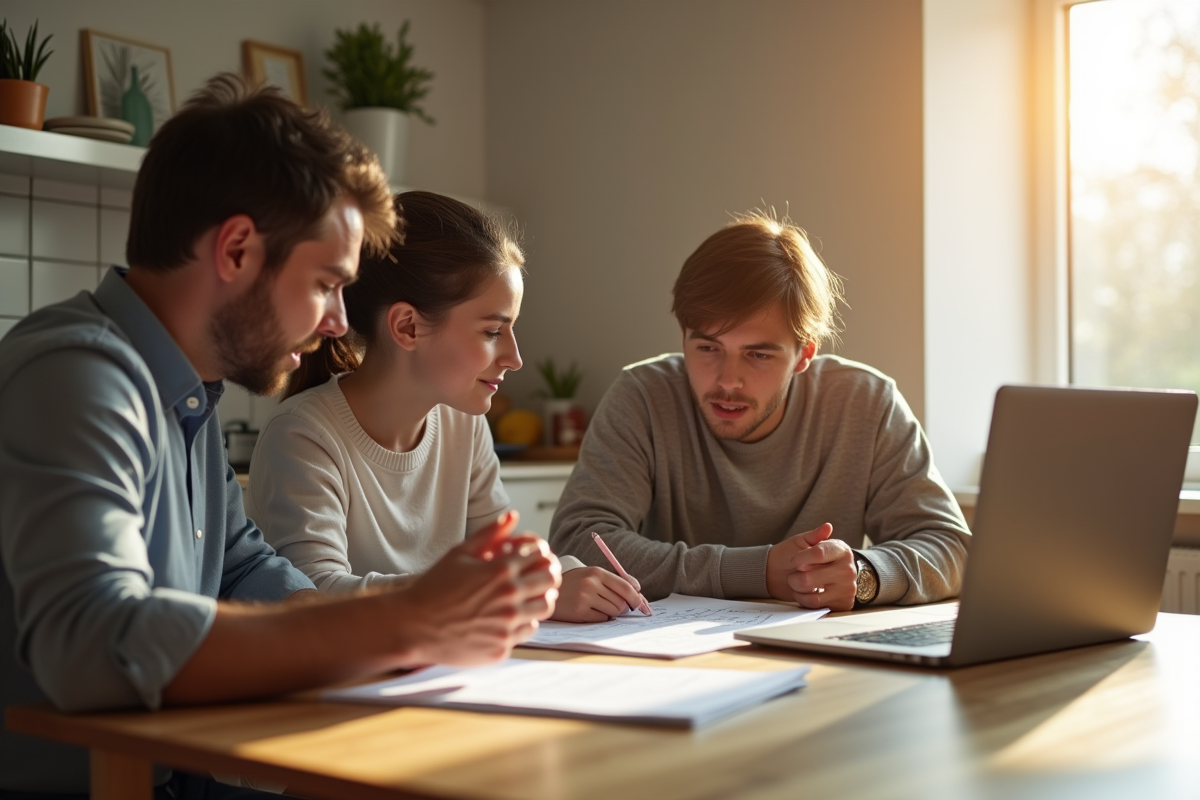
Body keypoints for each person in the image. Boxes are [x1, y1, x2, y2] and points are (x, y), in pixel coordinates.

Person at [0, 75, 559, 799]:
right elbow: (93, 642)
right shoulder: (78, 375)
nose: (336, 322)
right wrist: (406, 620)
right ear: (236, 250)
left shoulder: (184, 395)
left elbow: (248, 576)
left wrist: (424, 628)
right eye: (327, 283)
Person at [548, 211, 970, 618]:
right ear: (683, 337)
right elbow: (580, 539)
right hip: (671, 660)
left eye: (758, 354)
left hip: (822, 661)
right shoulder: (643, 396)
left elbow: (953, 547)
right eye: (708, 347)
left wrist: (867, 573)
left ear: (804, 354)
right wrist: (760, 571)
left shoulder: (865, 403)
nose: (728, 380)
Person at [247, 190, 632, 622]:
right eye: (492, 332)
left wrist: (562, 574)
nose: (515, 357)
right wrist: (511, 591)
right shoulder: (303, 436)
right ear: (408, 326)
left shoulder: (462, 424)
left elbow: (506, 556)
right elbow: (314, 592)